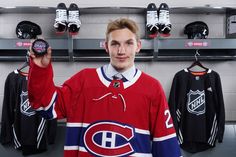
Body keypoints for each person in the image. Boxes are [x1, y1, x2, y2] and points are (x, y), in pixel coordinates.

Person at [28, 18, 181, 157]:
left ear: (138, 46)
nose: (121, 51)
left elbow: (166, 145)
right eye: (115, 44)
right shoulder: (83, 81)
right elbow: (45, 106)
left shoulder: (152, 88)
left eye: (129, 43)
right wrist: (40, 70)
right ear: (106, 46)